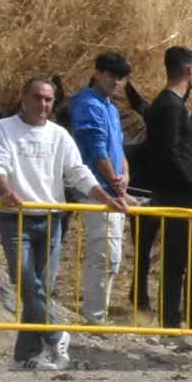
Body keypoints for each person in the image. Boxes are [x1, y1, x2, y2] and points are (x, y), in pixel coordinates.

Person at [0, 75, 123, 370]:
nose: (42, 104)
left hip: (50, 220)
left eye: (48, 99)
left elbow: (78, 172)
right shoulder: (3, 129)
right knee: (25, 280)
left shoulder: (59, 135)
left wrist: (104, 196)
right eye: (37, 97)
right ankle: (57, 334)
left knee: (40, 289)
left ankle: (26, 357)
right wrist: (6, 191)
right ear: (23, 97)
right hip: (15, 219)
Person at [139, 45, 192, 341]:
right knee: (187, 257)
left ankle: (182, 320)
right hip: (177, 194)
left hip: (180, 191)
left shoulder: (172, 105)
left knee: (186, 256)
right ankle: (179, 322)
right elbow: (169, 152)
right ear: (189, 69)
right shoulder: (169, 106)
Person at [63, 52, 136, 330]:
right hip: (94, 189)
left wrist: (124, 176)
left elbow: (118, 147)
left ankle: (97, 315)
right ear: (98, 73)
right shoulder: (87, 103)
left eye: (121, 78)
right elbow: (95, 149)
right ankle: (95, 318)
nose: (117, 82)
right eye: (113, 76)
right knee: (105, 254)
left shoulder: (111, 108)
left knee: (110, 256)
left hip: (112, 188)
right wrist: (114, 180)